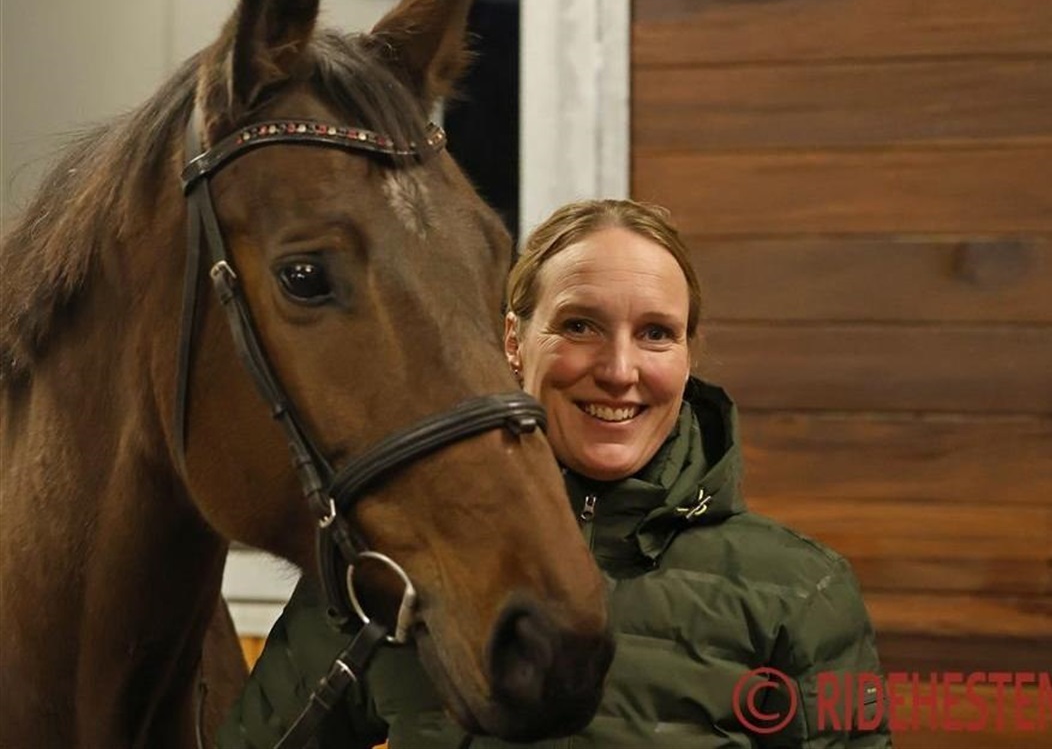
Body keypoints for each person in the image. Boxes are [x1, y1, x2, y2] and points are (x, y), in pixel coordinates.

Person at [218, 199, 891, 748]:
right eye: (580, 326)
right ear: (513, 342)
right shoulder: (390, 566)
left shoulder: (801, 591)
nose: (620, 370)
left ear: (688, 355)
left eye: (656, 333)